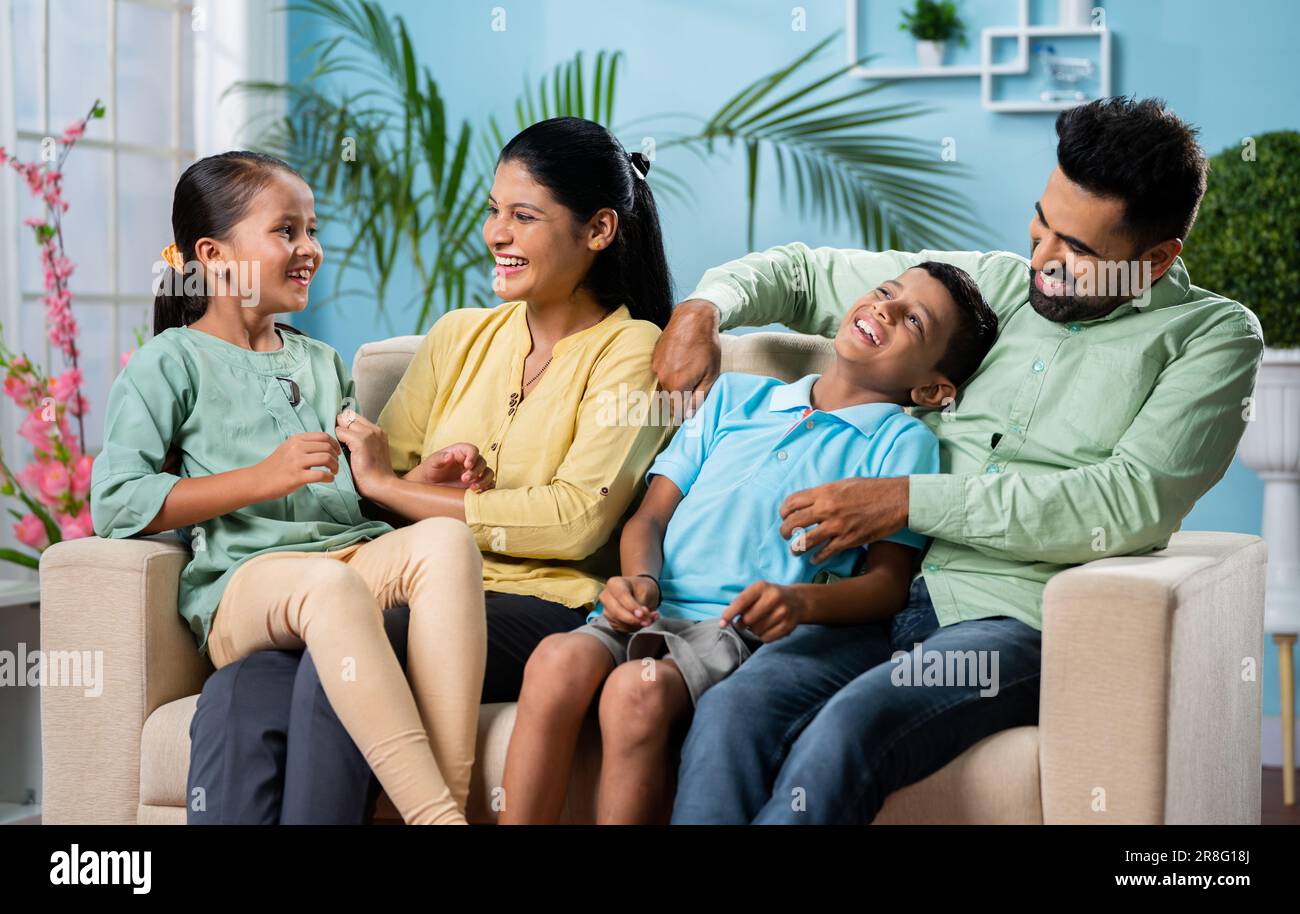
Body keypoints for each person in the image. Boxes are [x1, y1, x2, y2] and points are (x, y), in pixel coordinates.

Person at [653, 97, 1263, 824]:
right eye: (1042, 226)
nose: (1043, 263)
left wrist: (908, 500)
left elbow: (1125, 503)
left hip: (1005, 618)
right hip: (876, 593)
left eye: (1079, 254)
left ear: (1158, 258)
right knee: (734, 712)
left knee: (845, 733)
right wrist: (702, 309)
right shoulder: (999, 287)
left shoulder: (1211, 338)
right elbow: (806, 274)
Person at [184, 116, 677, 823]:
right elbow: (376, 496)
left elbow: (577, 520)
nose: (496, 235)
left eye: (524, 216)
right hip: (407, 590)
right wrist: (405, 483)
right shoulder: (457, 336)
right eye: (493, 211)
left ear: (598, 230)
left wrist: (394, 487)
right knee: (245, 683)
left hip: (547, 606)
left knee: (342, 660)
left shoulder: (633, 351)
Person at [501, 262, 997, 823]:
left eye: (914, 320)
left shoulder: (903, 443)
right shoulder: (735, 397)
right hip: (650, 605)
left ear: (931, 388)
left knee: (634, 696)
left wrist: (800, 604)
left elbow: (885, 585)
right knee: (553, 660)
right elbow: (650, 519)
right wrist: (639, 578)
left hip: (734, 631)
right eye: (886, 292)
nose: (885, 307)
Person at [92, 151, 487, 824]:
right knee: (328, 586)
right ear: (215, 255)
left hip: (347, 555)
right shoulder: (171, 362)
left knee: (448, 540)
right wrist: (256, 479)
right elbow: (116, 502)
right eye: (287, 232)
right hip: (248, 584)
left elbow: (338, 499)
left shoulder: (321, 361)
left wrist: (406, 480)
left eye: (312, 229)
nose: (310, 249)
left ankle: (440, 798)